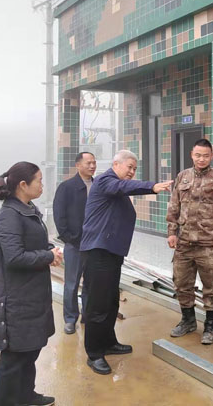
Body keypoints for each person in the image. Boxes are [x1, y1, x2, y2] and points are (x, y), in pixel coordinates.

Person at [80, 150, 172, 375]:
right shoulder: (105, 181)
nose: (132, 172)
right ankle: (94, 354)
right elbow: (122, 187)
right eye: (129, 167)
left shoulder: (116, 188)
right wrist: (152, 186)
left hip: (111, 253)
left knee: (111, 301)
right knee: (97, 305)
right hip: (98, 252)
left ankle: (108, 342)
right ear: (115, 164)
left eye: (134, 169)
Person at [0, 162, 63, 406]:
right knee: (14, 359)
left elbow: (32, 243)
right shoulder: (10, 215)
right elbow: (14, 257)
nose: (42, 185)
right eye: (39, 180)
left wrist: (50, 250)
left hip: (32, 294)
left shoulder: (28, 209)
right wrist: (47, 256)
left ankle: (25, 395)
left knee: (30, 351)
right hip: (15, 299)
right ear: (23, 185)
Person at [166, 139, 213, 345]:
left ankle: (210, 325)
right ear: (192, 154)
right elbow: (174, 206)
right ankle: (188, 320)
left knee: (211, 287)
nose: (201, 159)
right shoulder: (182, 177)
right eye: (198, 155)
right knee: (181, 283)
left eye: (205, 155)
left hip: (208, 243)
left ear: (211, 156)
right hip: (184, 243)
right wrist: (172, 232)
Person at [53, 151, 96, 334]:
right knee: (71, 283)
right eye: (88, 163)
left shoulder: (98, 185)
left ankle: (88, 315)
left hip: (95, 244)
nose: (92, 166)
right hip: (75, 244)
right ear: (78, 165)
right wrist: (69, 238)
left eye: (94, 163)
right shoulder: (67, 187)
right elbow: (59, 215)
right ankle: (70, 319)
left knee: (91, 283)